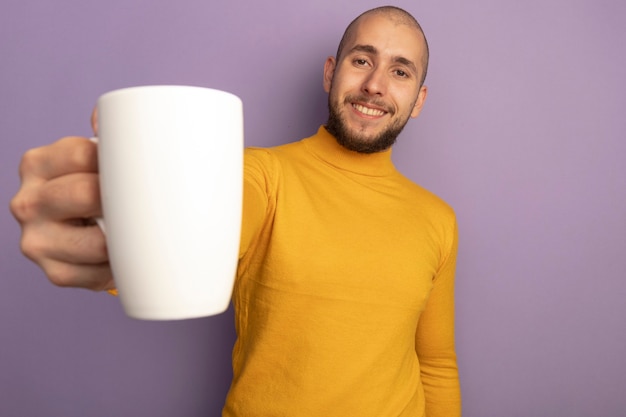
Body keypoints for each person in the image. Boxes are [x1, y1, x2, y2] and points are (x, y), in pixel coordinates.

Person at [10, 6, 460, 417]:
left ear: (418, 100)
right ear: (330, 72)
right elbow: (182, 240)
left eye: (400, 71)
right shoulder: (256, 175)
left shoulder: (438, 219)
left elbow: (436, 363)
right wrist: (112, 235)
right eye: (362, 60)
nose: (375, 84)